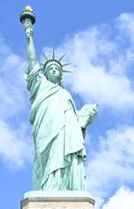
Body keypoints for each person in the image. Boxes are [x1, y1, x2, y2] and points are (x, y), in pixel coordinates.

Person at [22, 13, 98, 191]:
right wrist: (29, 34)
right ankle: (47, 187)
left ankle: (64, 187)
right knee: (46, 157)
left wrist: (85, 116)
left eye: (57, 68)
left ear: (61, 74)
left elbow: (76, 121)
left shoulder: (65, 94)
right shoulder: (40, 85)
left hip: (66, 131)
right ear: (45, 73)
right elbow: (33, 61)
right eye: (51, 68)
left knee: (65, 153)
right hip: (46, 128)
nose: (54, 70)